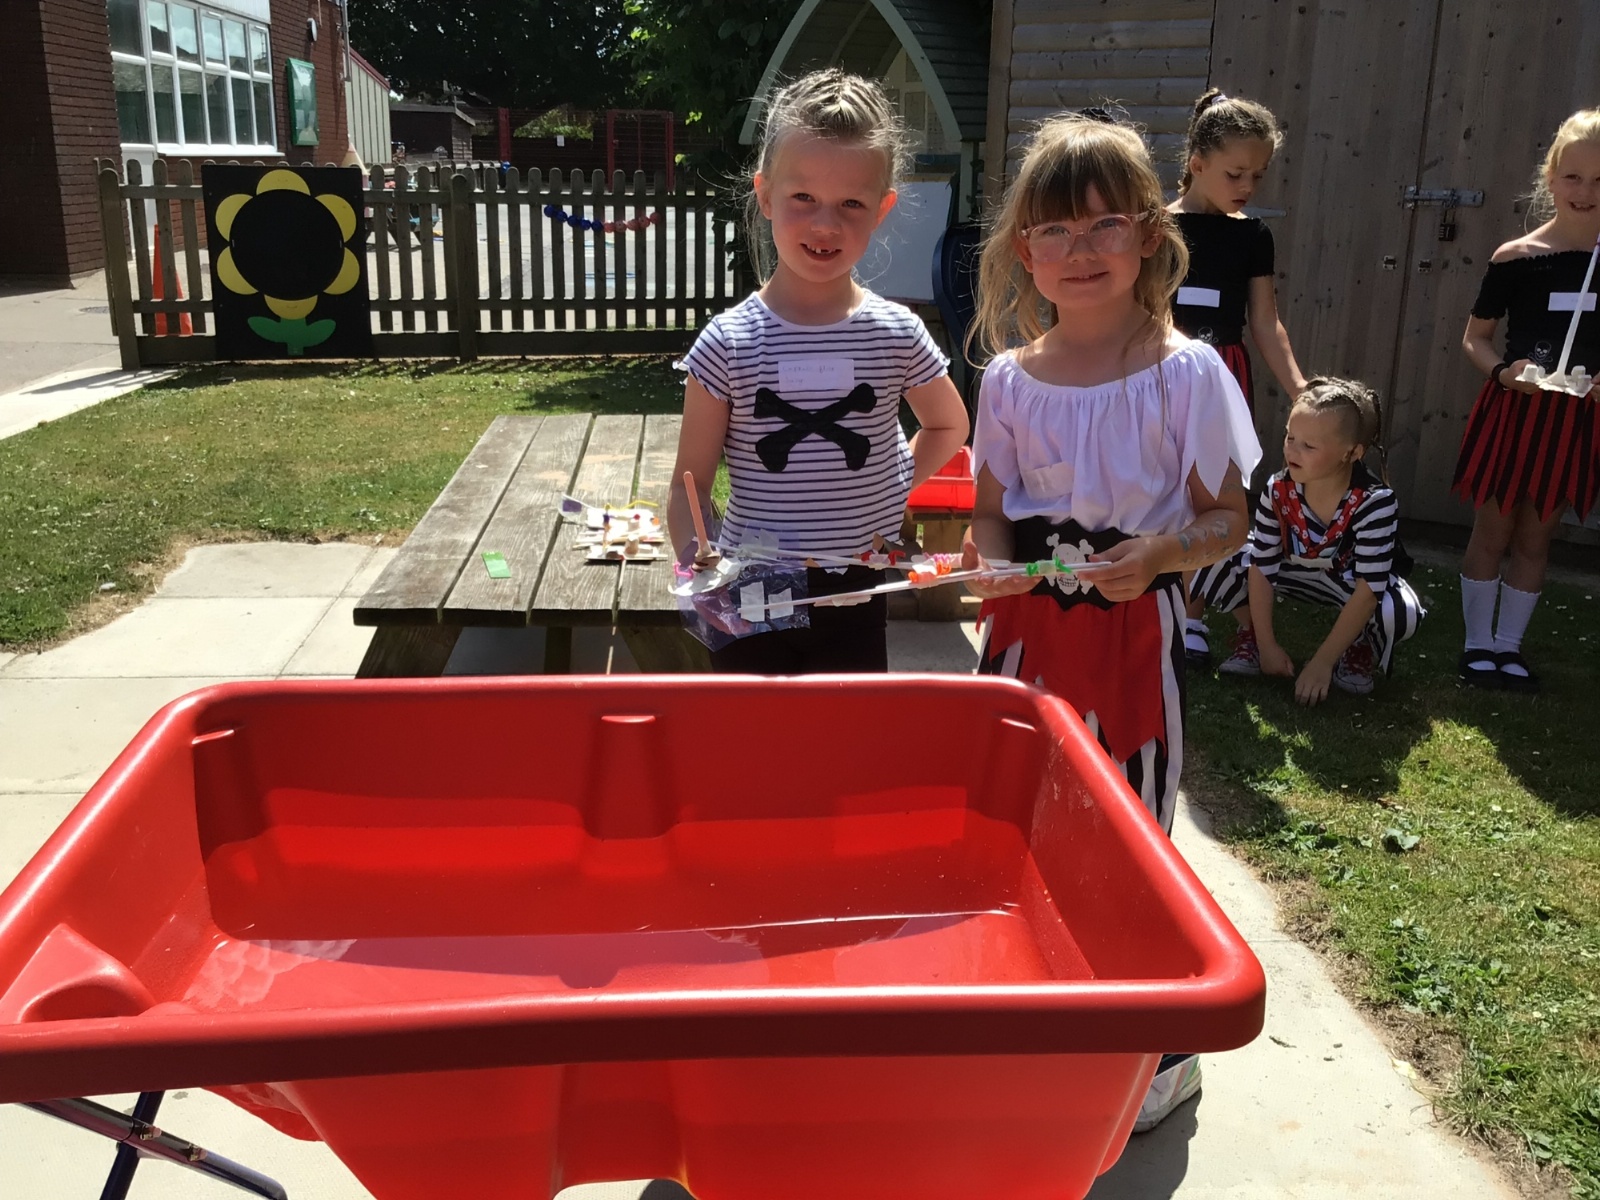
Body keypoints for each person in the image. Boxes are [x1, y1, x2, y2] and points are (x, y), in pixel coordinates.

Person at [961, 112, 1260, 1131]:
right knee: (1020, 827)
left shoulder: (1190, 373)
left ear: (1149, 235)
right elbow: (991, 514)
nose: (1080, 250)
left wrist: (1162, 555)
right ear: (1024, 252)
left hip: (1132, 646)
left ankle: (1155, 1050)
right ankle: (1036, 1003)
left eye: (1104, 225)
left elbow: (1228, 519)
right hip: (1023, 647)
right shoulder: (1008, 380)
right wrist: (990, 566)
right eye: (1056, 229)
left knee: (1132, 838)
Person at [668, 68, 968, 673]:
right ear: (765, 195)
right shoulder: (728, 342)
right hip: (753, 582)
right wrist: (694, 552)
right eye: (803, 198)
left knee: (846, 727)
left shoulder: (896, 333)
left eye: (851, 203)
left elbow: (949, 426)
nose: (826, 224)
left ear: (882, 209)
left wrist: (890, 489)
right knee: (753, 727)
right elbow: (689, 485)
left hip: (856, 583)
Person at [1453, 107, 1600, 693]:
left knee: (1538, 537)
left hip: (1575, 421)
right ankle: (1476, 645)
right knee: (1492, 530)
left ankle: (1509, 647)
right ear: (1550, 178)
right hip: (1514, 413)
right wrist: (1502, 374)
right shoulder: (1516, 256)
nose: (1585, 192)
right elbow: (1475, 338)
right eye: (1573, 177)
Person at [1169, 89, 1309, 667]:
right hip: (1163, 372)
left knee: (1217, 492)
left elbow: (1266, 322)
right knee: (1167, 489)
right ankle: (1163, 606)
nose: (1248, 186)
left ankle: (1194, 617)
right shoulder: (1156, 228)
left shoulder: (1253, 236)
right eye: (1235, 173)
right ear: (1197, 163)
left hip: (1225, 372)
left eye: (1258, 175)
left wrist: (1302, 391)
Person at [1193, 378, 1425, 703]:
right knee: (1212, 553)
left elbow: (1369, 590)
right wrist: (1267, 646)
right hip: (1290, 575)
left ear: (1352, 453)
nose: (1292, 450)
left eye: (1309, 446)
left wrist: (1321, 663)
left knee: (1401, 611)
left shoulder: (1375, 502)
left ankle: (1357, 646)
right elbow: (1262, 567)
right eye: (1290, 437)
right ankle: (1252, 636)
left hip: (1347, 585)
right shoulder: (1277, 489)